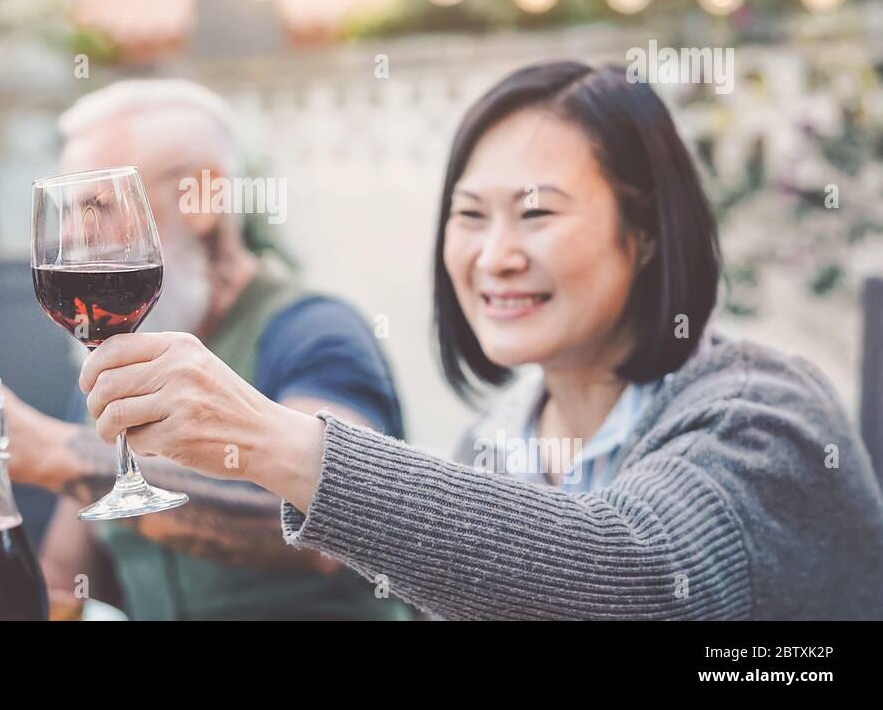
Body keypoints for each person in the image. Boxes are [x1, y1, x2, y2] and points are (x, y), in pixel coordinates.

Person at [78, 62, 883, 620]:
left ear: (642, 233)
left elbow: (639, 578)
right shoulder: (496, 441)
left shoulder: (764, 416)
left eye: (536, 213)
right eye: (470, 216)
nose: (494, 254)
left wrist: (271, 441)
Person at [0, 79, 413, 620]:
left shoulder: (312, 333)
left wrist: (56, 453)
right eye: (64, 214)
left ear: (203, 196)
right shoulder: (116, 356)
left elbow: (332, 528)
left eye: (97, 209)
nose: (70, 243)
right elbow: (63, 583)